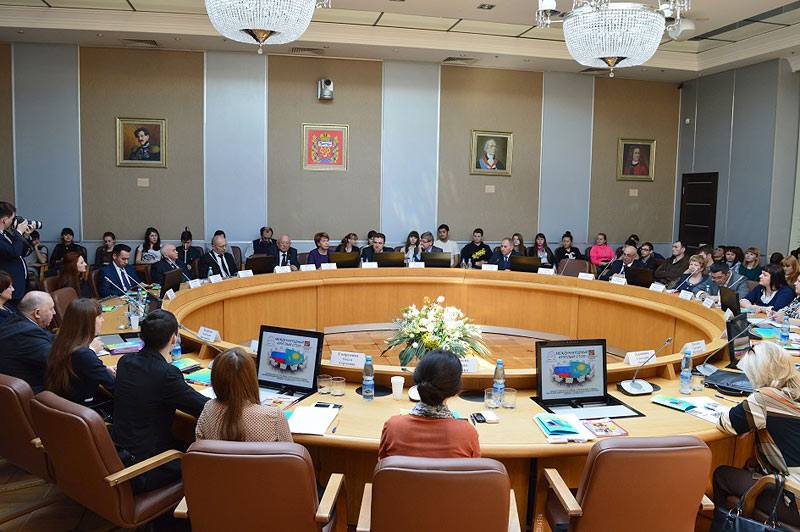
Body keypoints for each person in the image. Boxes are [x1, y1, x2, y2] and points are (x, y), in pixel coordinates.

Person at [112, 309, 208, 494]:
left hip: (121, 456)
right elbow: (204, 407)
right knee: (208, 460)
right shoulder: (166, 374)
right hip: (146, 467)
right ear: (174, 339)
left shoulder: (125, 362)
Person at [713, 342, 800, 527]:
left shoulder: (765, 399)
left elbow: (726, 423)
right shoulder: (794, 393)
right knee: (749, 467)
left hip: (795, 501)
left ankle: (726, 527)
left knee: (722, 476)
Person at [378, 350, 479, 459]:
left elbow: (382, 463)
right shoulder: (467, 433)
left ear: (418, 381)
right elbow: (475, 466)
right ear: (455, 390)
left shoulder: (392, 427)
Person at [195, 348, 292, 443]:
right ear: (252, 378)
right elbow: (290, 452)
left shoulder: (209, 408)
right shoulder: (275, 417)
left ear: (215, 379)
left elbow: (200, 446)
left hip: (216, 455)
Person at [44, 298, 113, 407]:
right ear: (88, 322)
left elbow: (79, 369)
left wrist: (104, 369)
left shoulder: (61, 340)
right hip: (86, 408)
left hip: (65, 403)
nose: (102, 320)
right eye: (99, 317)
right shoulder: (84, 355)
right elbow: (115, 386)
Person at [0, 291, 55, 392]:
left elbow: (49, 337)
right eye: (51, 309)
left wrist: (71, 339)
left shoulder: (17, 318)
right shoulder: (27, 333)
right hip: (35, 391)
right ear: (37, 313)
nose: (54, 312)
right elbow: (57, 359)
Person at [0, 202, 32, 305]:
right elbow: (14, 252)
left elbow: (20, 252)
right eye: (12, 218)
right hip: (8, 287)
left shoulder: (5, 234)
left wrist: (25, 236)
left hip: (19, 283)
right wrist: (18, 233)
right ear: (5, 220)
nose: (13, 221)